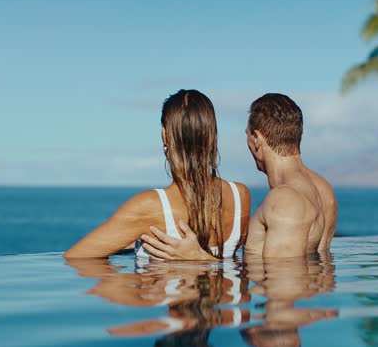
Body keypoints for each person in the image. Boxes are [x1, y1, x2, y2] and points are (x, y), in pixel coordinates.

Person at [139, 93, 337, 259]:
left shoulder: (285, 201)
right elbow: (320, 272)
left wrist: (199, 259)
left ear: (257, 139)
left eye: (247, 135)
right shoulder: (323, 190)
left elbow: (281, 285)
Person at [63, 89, 251, 259]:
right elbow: (237, 284)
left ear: (165, 135)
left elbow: (74, 258)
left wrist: (134, 293)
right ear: (212, 135)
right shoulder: (240, 196)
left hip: (159, 297)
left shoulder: (149, 206)